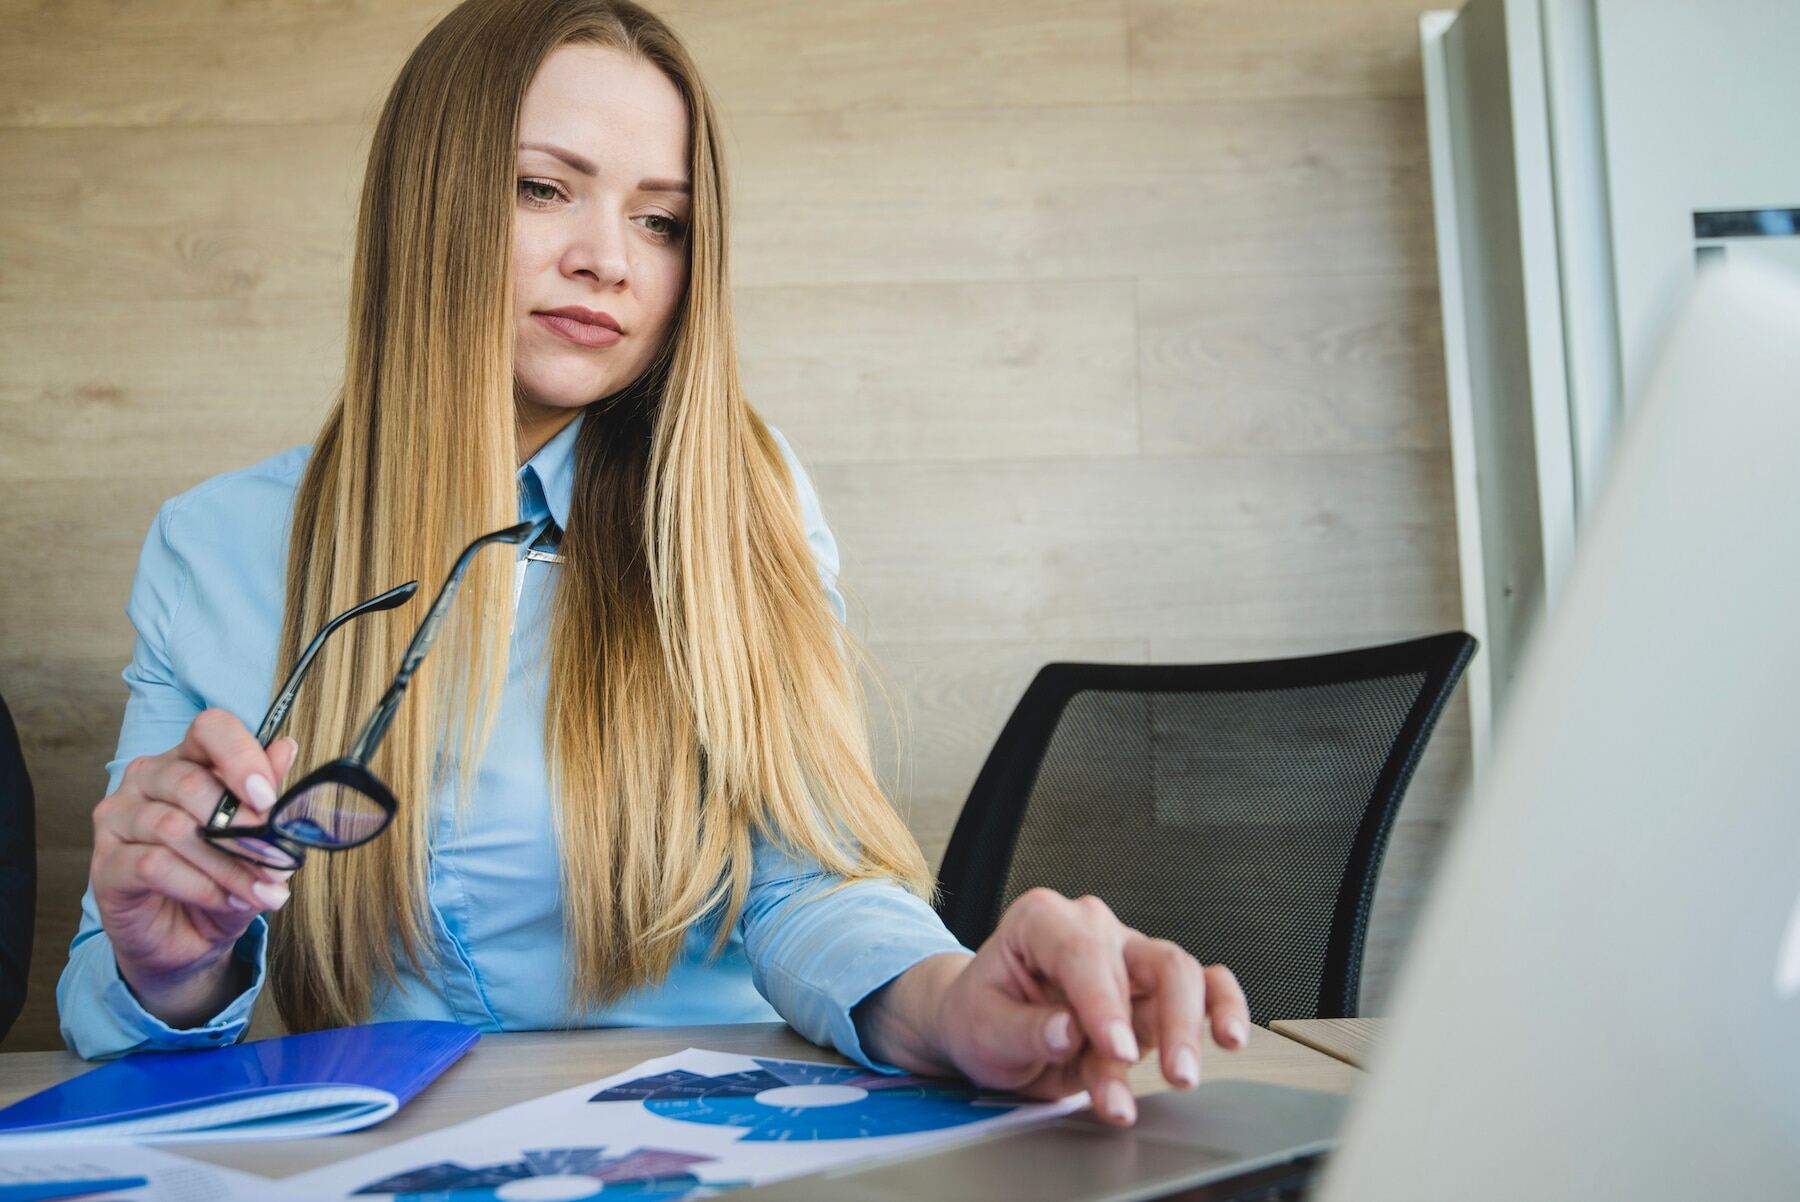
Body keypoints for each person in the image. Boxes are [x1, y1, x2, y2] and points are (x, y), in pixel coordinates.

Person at [56, 0, 1249, 1127]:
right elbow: (118, 1015)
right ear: (427, 204)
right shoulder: (212, 548)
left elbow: (806, 878)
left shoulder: (742, 497)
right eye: (542, 189)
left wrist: (949, 1000)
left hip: (714, 1137)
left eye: (660, 220)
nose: (609, 261)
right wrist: (171, 967)